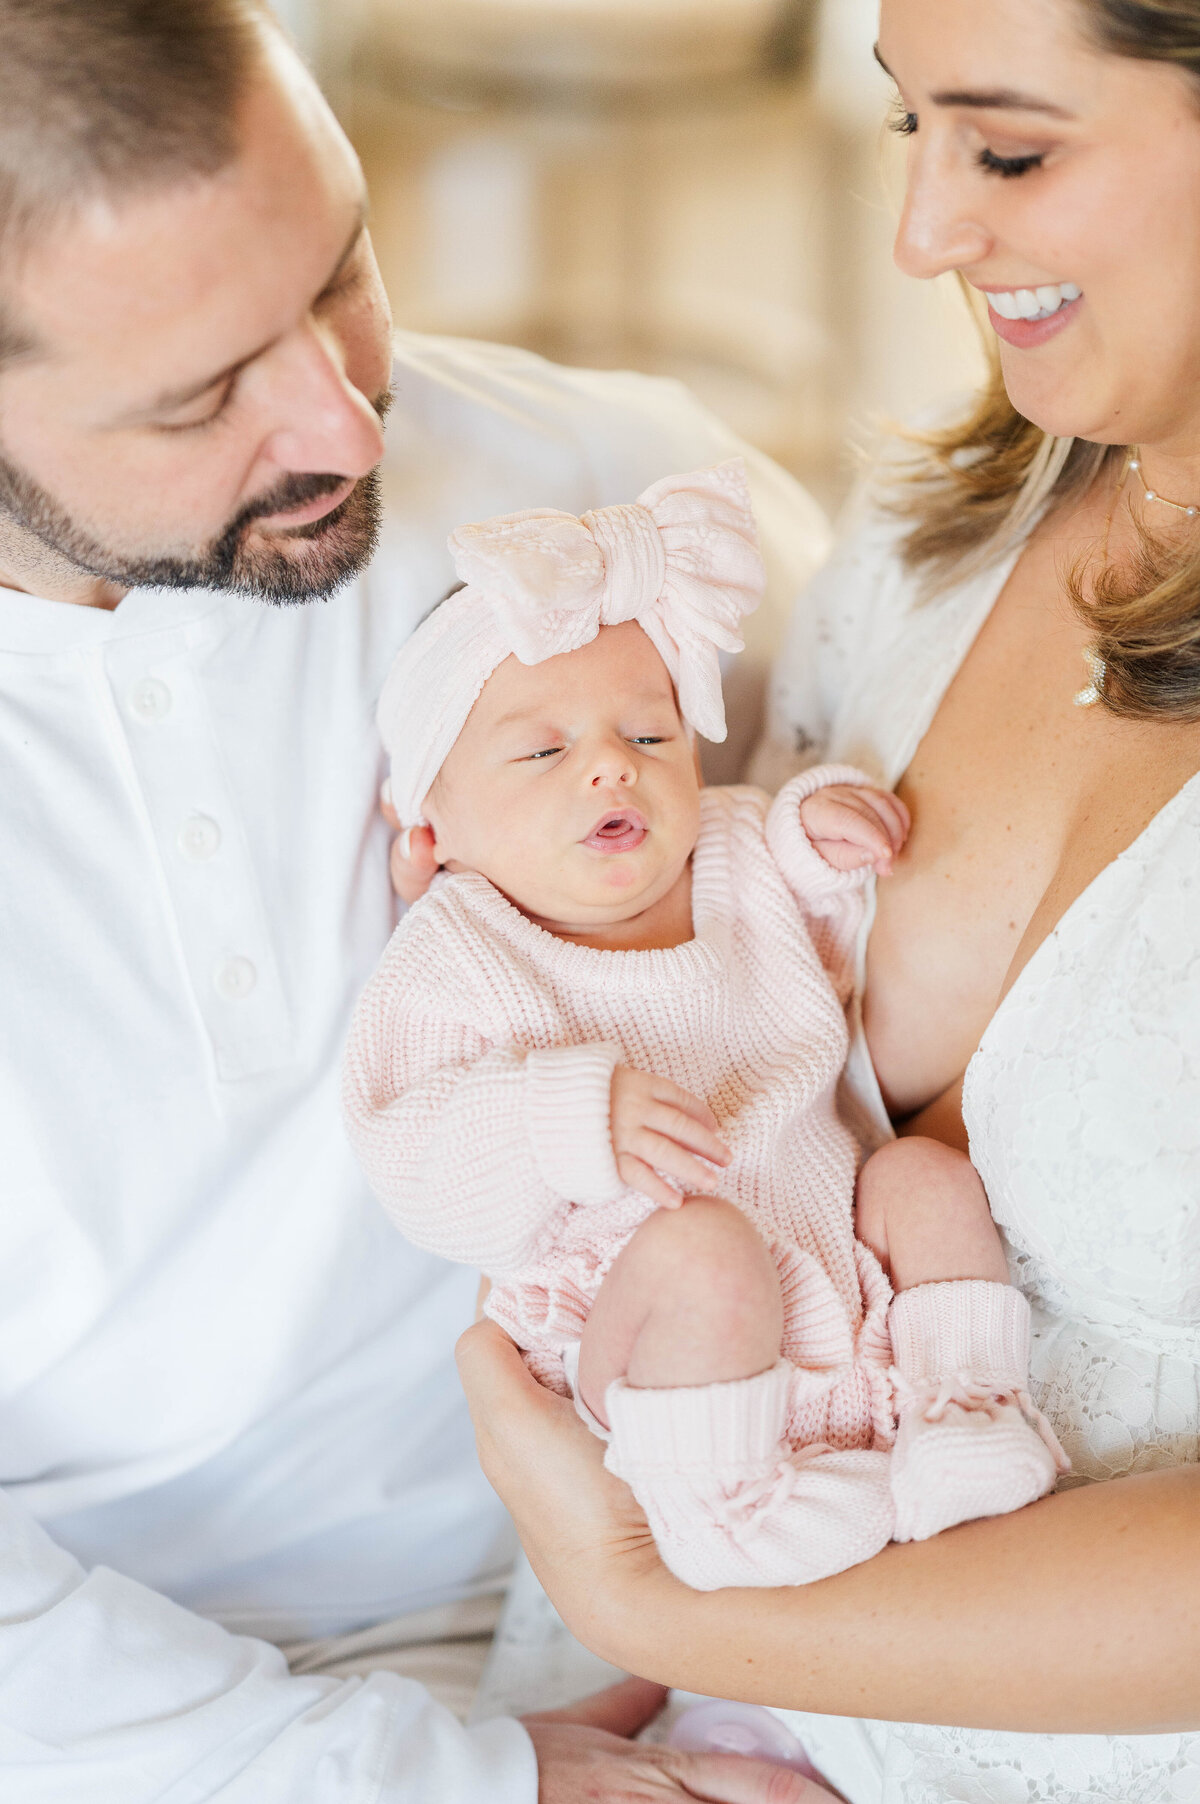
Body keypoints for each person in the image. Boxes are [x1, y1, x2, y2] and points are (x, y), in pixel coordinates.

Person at [0, 2, 834, 1799]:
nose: (346, 416)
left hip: (718, 1549)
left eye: (345, 268)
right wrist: (480, 1781)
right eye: (203, 393)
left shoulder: (590, 500)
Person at [449, 0, 1200, 1798]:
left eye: (1010, 148)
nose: (925, 234)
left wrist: (669, 1606)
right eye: (907, 130)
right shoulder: (936, 533)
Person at [345, 458, 1065, 1597]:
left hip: (835, 1255)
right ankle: (726, 1507)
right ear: (431, 819)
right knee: (702, 1250)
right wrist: (566, 1112)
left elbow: (809, 915)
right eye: (541, 751)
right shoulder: (459, 955)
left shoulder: (727, 848)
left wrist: (822, 838)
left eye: (649, 734)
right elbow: (416, 1160)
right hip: (649, 1329)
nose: (606, 768)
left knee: (926, 1177)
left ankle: (963, 1407)